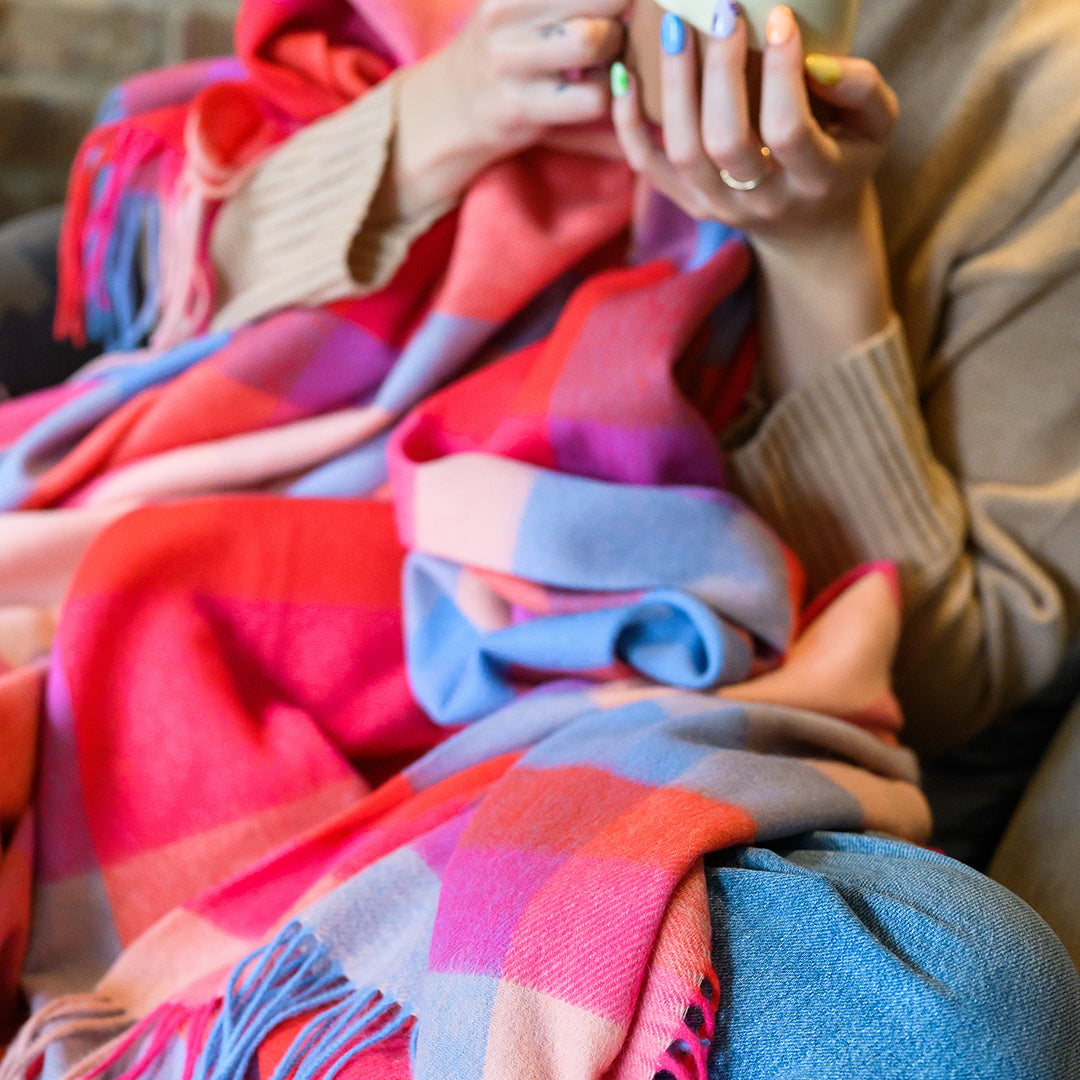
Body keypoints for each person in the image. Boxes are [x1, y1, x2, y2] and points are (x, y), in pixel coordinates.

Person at [1, 0, 1079, 1075]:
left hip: (659, 734)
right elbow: (149, 297)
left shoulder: (1038, 97)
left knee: (947, 1017)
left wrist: (815, 251)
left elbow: (952, 676)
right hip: (211, 615)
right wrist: (441, 114)